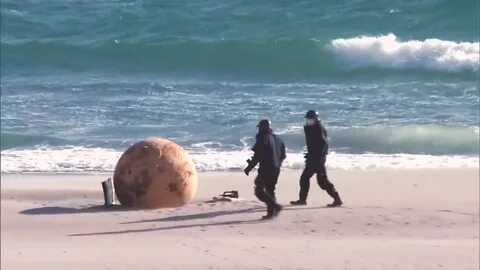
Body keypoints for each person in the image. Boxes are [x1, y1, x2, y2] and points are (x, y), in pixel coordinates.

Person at [290, 110, 343, 207]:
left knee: (321, 181)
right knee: (305, 179)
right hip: (313, 159)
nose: (308, 121)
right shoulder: (311, 128)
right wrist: (310, 155)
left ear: (316, 119)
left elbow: (324, 145)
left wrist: (319, 158)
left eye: (310, 119)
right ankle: (302, 200)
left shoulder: (318, 129)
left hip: (317, 160)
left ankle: (337, 199)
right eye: (308, 119)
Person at [244, 119, 286, 219]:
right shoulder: (278, 138)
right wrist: (277, 164)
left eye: (260, 127)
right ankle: (271, 213)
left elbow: (258, 155)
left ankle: (276, 206)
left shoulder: (262, 137)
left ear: (262, 128)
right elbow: (283, 155)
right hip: (276, 168)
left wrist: (249, 167)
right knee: (270, 190)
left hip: (266, 168)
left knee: (259, 190)